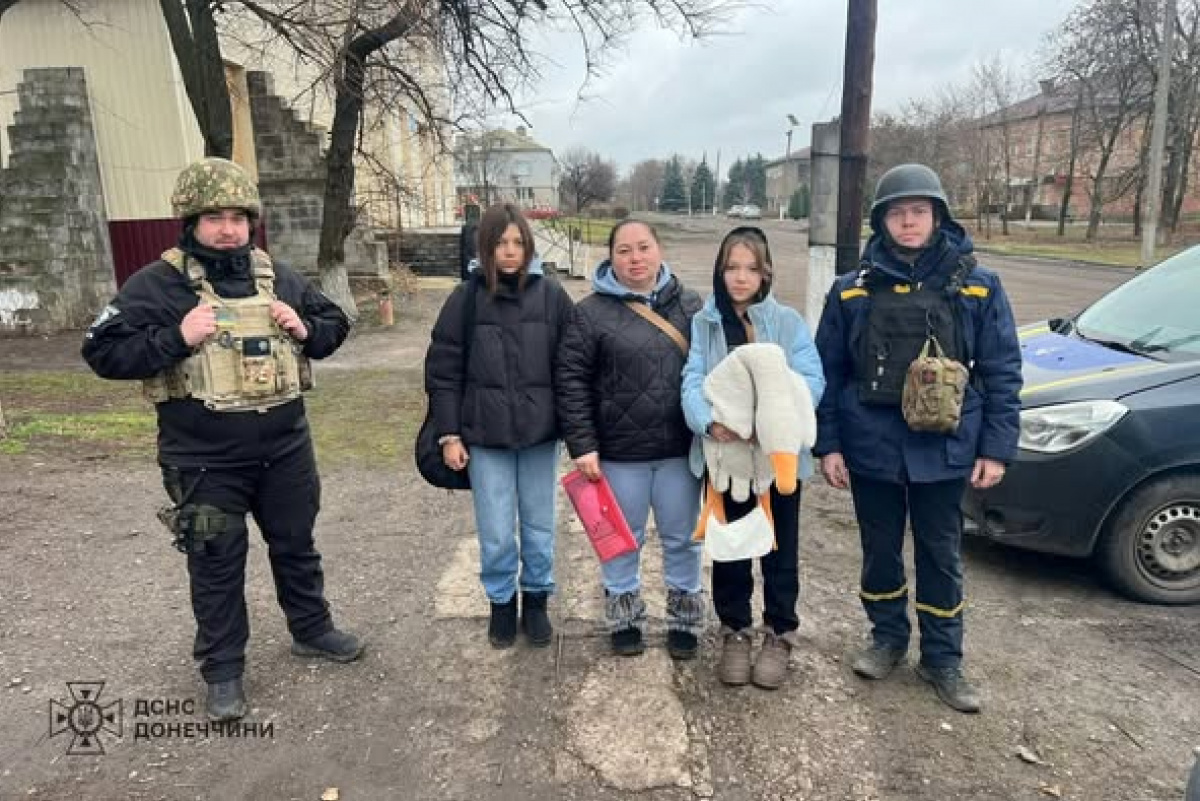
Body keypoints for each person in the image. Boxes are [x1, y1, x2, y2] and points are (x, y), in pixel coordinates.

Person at [81, 157, 361, 723]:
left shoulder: (275, 276)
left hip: (285, 450)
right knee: (215, 562)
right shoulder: (157, 285)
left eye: (238, 217)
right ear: (190, 221)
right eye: (214, 217)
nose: (228, 229)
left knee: (295, 544)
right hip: (204, 462)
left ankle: (312, 630)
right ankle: (223, 671)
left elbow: (335, 326)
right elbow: (101, 351)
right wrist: (173, 337)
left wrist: (306, 329)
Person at [812, 163, 1022, 713]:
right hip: (871, 446)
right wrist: (828, 445)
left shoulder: (977, 284)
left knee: (942, 554)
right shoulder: (850, 291)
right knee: (879, 551)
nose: (909, 222)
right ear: (881, 221)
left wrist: (996, 448)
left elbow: (1001, 369)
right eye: (898, 213)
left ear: (937, 216)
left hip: (947, 449)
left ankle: (943, 660)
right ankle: (886, 639)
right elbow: (827, 375)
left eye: (919, 212)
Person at [424, 203, 574, 649]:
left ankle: (537, 600)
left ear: (528, 245)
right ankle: (502, 604)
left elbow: (572, 363)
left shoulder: (551, 296)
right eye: (500, 243)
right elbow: (444, 370)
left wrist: (576, 429)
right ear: (485, 247)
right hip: (484, 438)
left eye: (517, 243)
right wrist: (449, 434)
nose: (510, 252)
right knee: (494, 528)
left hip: (539, 434)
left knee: (539, 524)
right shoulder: (465, 298)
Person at [681, 226, 825, 689]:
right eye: (732, 267)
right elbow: (692, 379)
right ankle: (735, 629)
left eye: (751, 268)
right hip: (725, 459)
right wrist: (708, 421)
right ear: (721, 270)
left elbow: (811, 379)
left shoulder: (787, 322)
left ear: (766, 273)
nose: (740, 277)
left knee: (780, 548)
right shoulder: (704, 322)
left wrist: (773, 421)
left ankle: (780, 633)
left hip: (776, 462)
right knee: (731, 548)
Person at [556, 219, 705, 659]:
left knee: (682, 538)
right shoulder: (589, 314)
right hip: (619, 455)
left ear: (659, 250)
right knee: (623, 538)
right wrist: (583, 445)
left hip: (680, 451)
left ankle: (684, 617)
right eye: (624, 250)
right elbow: (571, 381)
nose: (635, 258)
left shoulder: (693, 307)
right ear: (611, 257)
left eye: (643, 247)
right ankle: (623, 616)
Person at [458, 202, 481, 282]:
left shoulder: (466, 227)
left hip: (468, 257)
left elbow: (462, 246)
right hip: (475, 257)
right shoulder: (480, 225)